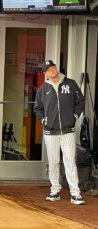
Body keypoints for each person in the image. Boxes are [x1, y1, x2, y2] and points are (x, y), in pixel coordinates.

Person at [34, 60, 86, 205]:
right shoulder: (43, 89)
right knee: (54, 162)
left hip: (68, 130)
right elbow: (37, 109)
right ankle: (55, 190)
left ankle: (75, 193)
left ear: (56, 68)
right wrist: (44, 121)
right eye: (48, 69)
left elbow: (80, 101)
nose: (52, 70)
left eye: (53, 67)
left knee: (69, 161)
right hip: (50, 132)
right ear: (45, 74)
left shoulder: (70, 84)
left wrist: (74, 116)